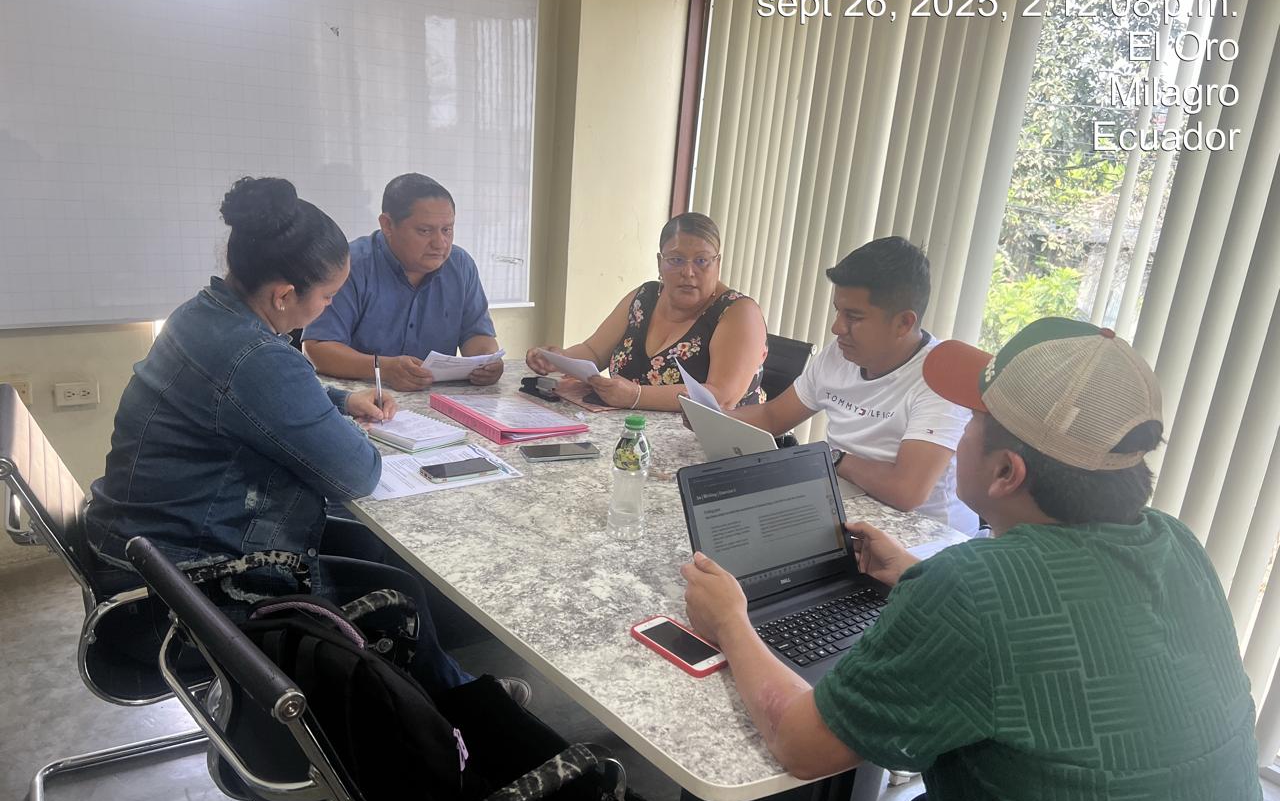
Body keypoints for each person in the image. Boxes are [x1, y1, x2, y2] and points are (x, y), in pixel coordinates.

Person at [681, 317, 1279, 801]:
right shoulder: (1178, 544)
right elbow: (1068, 631)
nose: (957, 435)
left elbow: (801, 745)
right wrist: (916, 576)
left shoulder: (973, 589)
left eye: (970, 421)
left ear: (1006, 471)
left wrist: (731, 621)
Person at [85, 176, 471, 694]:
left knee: (369, 545)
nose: (330, 306)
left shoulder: (203, 315)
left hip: (137, 554)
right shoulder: (257, 357)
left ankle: (429, 689)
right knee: (398, 592)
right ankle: (451, 705)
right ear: (285, 295)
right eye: (328, 296)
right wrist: (341, 423)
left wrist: (339, 400)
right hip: (182, 595)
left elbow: (241, 392)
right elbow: (358, 472)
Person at [727, 237, 977, 534]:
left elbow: (906, 491)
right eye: (838, 311)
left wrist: (833, 458)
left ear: (903, 323)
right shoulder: (839, 355)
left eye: (854, 317)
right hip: (848, 509)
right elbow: (772, 417)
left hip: (925, 538)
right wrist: (714, 417)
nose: (837, 327)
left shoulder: (941, 377)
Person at [524, 212, 767, 411]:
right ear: (660, 262)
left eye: (702, 261)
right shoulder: (645, 297)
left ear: (718, 263)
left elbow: (721, 397)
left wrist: (636, 396)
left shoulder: (738, 312)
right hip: (633, 433)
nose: (688, 272)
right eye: (676, 260)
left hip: (714, 446)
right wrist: (558, 359)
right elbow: (593, 352)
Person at [302, 173, 503, 391]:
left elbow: (477, 334)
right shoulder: (351, 265)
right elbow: (317, 348)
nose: (440, 243)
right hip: (362, 399)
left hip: (435, 398)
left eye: (447, 230)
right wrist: (383, 368)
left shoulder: (460, 265)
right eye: (425, 231)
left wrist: (487, 362)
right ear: (387, 225)